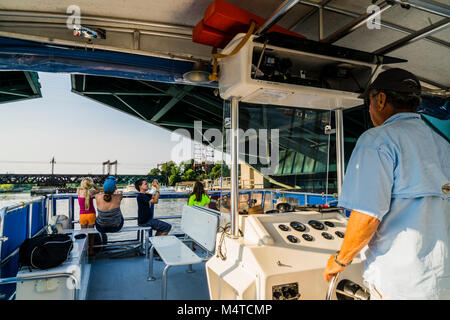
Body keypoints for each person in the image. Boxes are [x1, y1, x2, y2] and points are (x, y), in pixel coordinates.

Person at [323, 68, 450, 300]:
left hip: (401, 284)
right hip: (442, 281)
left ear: (380, 99)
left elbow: (367, 217)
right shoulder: (442, 144)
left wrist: (340, 260)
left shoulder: (377, 139)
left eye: (369, 102)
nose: (370, 109)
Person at [77, 177, 100, 255]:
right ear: (90, 185)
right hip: (91, 215)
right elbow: (99, 190)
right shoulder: (91, 192)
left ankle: (83, 250)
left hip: (82, 215)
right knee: (91, 234)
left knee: (83, 234)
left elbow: (81, 188)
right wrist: (93, 184)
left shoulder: (79, 191)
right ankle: (90, 251)